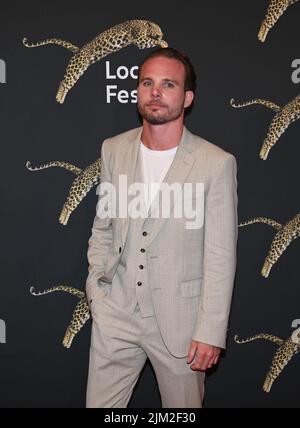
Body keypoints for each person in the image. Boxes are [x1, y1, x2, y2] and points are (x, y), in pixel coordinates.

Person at [85, 47, 238, 408]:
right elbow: (103, 225)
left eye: (168, 84)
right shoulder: (114, 149)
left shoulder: (215, 163)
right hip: (115, 314)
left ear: (187, 98)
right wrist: (97, 289)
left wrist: (209, 331)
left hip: (180, 324)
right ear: (137, 91)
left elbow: (219, 255)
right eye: (147, 83)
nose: (156, 92)